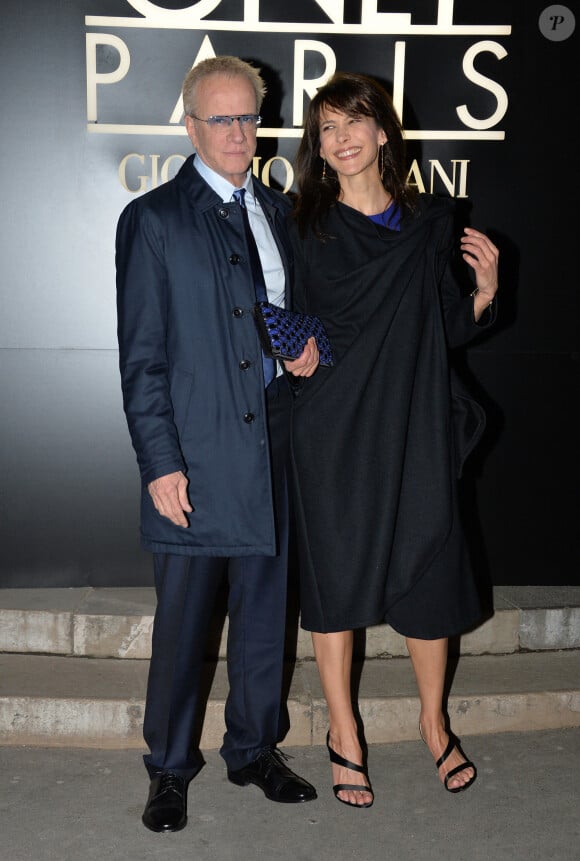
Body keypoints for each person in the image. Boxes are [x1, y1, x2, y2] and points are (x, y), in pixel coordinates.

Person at [115, 56, 319, 833]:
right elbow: (143, 356)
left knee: (267, 613)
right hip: (195, 455)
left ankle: (254, 748)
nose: (236, 133)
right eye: (220, 119)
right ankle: (168, 767)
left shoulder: (279, 210)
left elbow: (281, 314)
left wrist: (302, 351)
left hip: (274, 438)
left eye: (247, 118)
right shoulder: (156, 219)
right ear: (191, 126)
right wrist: (159, 461)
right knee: (184, 624)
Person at [289, 71, 499, 807]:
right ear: (316, 144)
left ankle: (433, 723)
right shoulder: (302, 225)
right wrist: (290, 349)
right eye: (325, 129)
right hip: (334, 424)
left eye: (353, 123)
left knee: (431, 570)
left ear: (383, 131)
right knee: (335, 579)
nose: (339, 139)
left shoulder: (428, 225)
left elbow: (443, 329)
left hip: (413, 421)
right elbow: (273, 314)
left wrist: (483, 293)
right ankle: (344, 734)